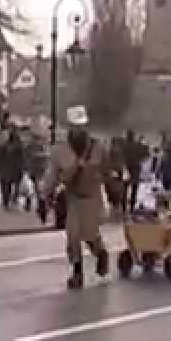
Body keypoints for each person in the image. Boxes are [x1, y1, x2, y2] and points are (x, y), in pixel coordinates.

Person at [43, 106, 111, 289]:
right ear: (69, 128)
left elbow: (108, 171)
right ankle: (77, 273)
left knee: (90, 235)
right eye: (76, 126)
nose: (80, 129)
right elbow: (52, 175)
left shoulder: (98, 148)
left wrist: (115, 193)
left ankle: (101, 254)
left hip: (92, 197)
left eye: (82, 126)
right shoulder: (60, 151)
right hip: (73, 197)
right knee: (72, 236)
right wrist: (45, 195)